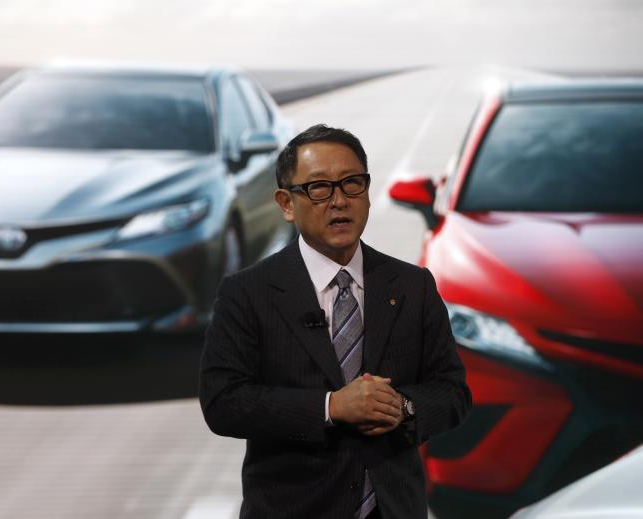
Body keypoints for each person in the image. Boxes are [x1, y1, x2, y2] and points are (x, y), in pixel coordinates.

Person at [199, 124, 471, 518]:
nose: (339, 201)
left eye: (352, 184)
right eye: (319, 188)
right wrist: (330, 407)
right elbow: (223, 401)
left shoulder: (414, 285)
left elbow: (453, 392)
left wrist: (403, 406)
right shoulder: (247, 293)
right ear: (286, 203)